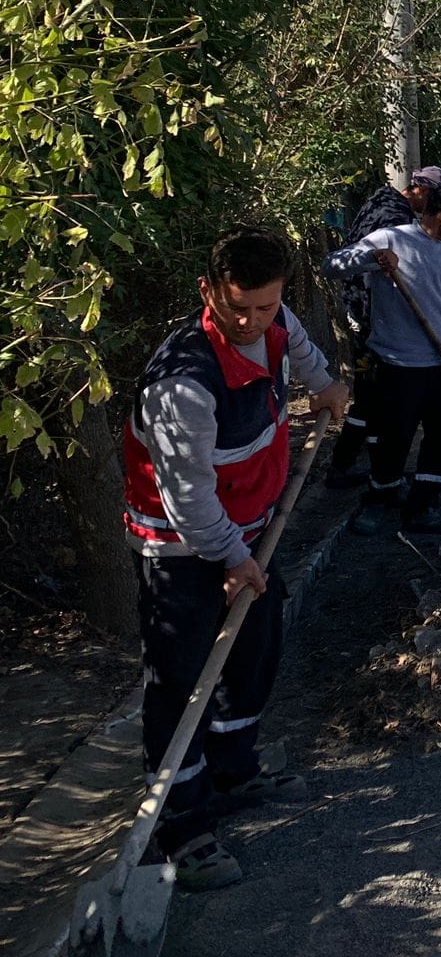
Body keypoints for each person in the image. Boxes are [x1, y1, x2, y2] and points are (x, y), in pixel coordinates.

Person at [122, 226, 350, 889]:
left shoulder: (277, 330)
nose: (251, 322)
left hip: (247, 533)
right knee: (180, 677)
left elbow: (303, 352)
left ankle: (234, 765)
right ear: (210, 292)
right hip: (182, 548)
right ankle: (182, 825)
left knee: (254, 646)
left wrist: (327, 386)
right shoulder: (182, 384)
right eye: (237, 308)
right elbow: (186, 499)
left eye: (265, 307)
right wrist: (231, 558)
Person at [323, 184, 441, 537]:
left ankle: (424, 506)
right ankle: (380, 498)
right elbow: (331, 265)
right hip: (396, 365)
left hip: (437, 364)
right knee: (394, 437)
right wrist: (370, 259)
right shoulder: (391, 240)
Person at [326, 164, 441, 489]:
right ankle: (370, 470)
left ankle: (353, 464)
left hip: (367, 311)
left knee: (371, 397)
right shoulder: (393, 221)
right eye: (434, 201)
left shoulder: (380, 200)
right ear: (421, 191)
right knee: (376, 398)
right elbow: (352, 262)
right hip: (370, 316)